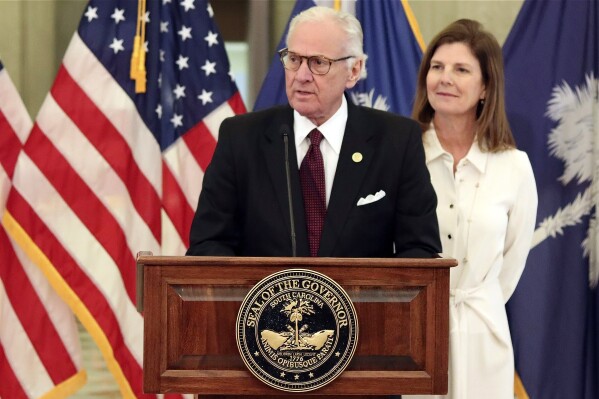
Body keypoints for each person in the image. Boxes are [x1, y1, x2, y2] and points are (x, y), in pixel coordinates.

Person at [186, 6, 441, 258]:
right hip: (267, 299)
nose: (301, 76)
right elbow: (208, 246)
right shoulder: (241, 138)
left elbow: (420, 251)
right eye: (294, 60)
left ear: (353, 71)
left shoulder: (396, 140)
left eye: (319, 62)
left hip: (360, 300)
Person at [406, 19, 538, 398]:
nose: (444, 78)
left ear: (485, 87)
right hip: (414, 338)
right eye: (437, 67)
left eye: (461, 69)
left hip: (484, 339)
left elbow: (509, 268)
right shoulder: (402, 154)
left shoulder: (514, 166)